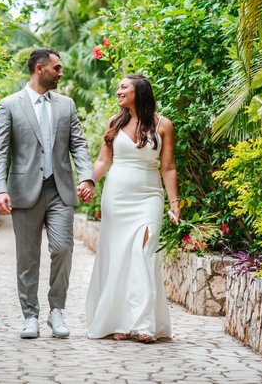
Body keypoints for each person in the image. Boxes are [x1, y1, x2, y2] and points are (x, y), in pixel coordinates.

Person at [0, 49, 95, 340]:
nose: (61, 73)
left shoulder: (67, 105)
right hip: (24, 191)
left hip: (60, 189)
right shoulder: (10, 105)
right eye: (57, 68)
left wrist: (86, 176)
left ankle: (56, 310)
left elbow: (79, 144)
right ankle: (30, 316)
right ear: (40, 68)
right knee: (28, 257)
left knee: (62, 249)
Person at [85, 74, 180, 343]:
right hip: (116, 196)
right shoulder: (114, 123)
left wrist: (174, 204)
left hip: (149, 196)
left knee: (144, 252)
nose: (118, 91)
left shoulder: (163, 125)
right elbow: (103, 161)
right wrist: (87, 182)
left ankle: (144, 323)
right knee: (118, 256)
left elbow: (169, 167)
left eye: (123, 87)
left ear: (139, 91)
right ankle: (120, 321)